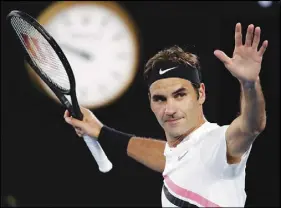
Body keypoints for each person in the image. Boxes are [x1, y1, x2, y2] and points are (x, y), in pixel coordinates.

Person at [64, 23, 267, 207]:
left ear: (201, 93)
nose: (169, 109)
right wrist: (101, 131)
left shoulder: (217, 144)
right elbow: (167, 156)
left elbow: (251, 127)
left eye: (180, 95)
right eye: (160, 99)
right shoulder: (178, 153)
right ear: (150, 102)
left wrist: (249, 84)